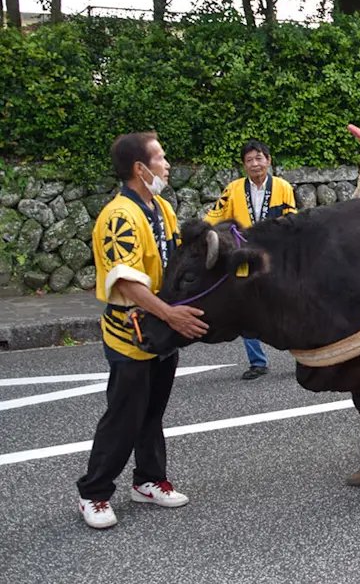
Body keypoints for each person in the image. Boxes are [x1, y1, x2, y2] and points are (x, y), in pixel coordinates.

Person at [77, 132, 208, 530]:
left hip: (159, 331)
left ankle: (148, 479)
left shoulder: (162, 207)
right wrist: (171, 315)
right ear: (140, 168)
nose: (166, 165)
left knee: (152, 412)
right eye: (161, 158)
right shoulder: (119, 216)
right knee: (124, 415)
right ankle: (93, 492)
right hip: (130, 331)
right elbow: (127, 283)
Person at [204, 139, 297, 380]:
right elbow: (214, 216)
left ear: (268, 160)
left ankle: (301, 355)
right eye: (249, 160)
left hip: (274, 255)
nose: (255, 164)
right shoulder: (233, 189)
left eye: (259, 158)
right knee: (245, 307)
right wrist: (201, 234)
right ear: (244, 165)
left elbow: (291, 220)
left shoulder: (283, 187)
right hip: (244, 255)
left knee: (285, 306)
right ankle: (257, 362)